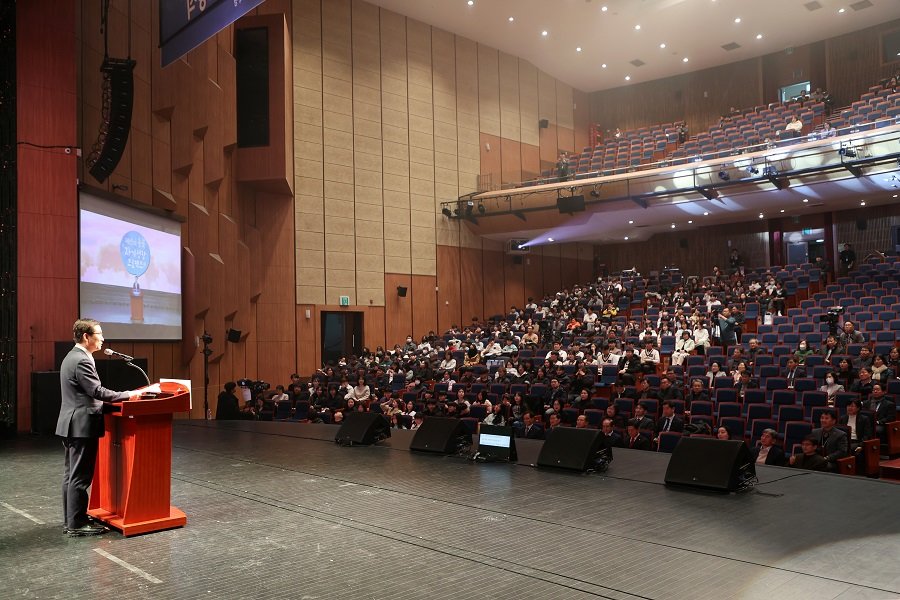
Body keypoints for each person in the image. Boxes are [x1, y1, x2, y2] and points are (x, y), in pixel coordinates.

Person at [57, 319, 142, 536]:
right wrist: (130, 395)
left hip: (73, 423)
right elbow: (97, 391)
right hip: (81, 425)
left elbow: (84, 395)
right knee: (80, 477)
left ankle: (72, 520)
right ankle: (76, 524)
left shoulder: (72, 357)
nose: (103, 338)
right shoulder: (81, 360)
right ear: (86, 336)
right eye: (99, 333)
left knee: (71, 475)